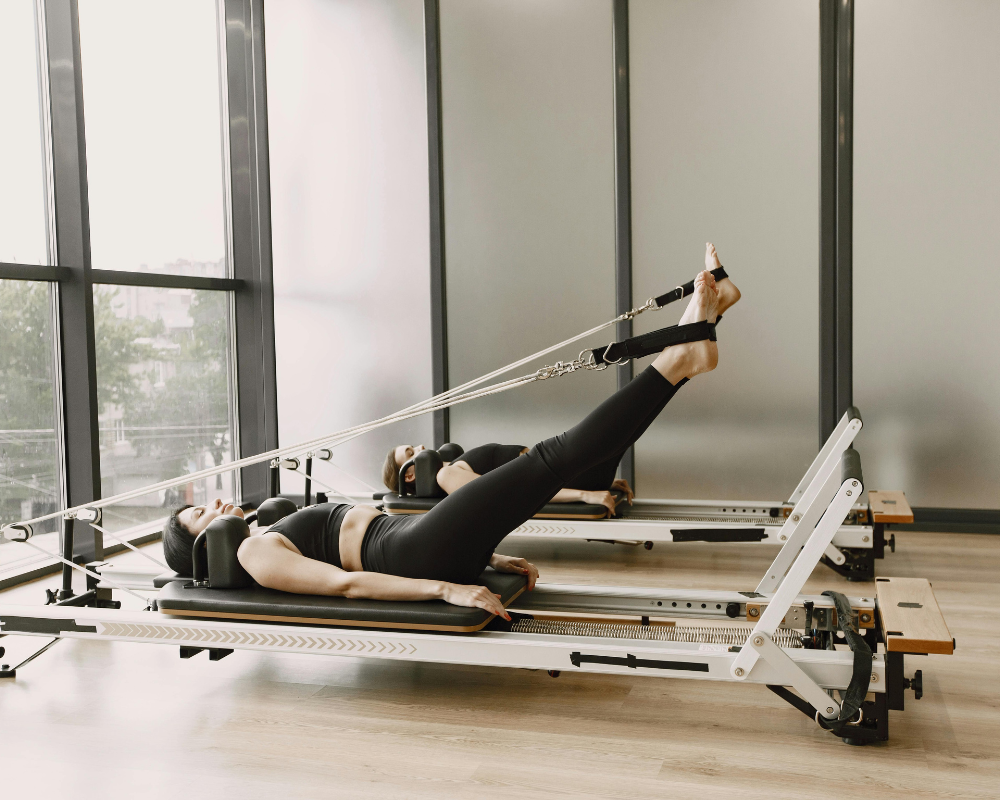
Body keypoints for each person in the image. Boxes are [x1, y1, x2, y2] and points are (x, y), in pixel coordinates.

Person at [162, 263, 739, 620]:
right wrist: (446, 589)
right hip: (413, 553)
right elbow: (346, 584)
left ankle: (687, 358)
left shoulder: (263, 525)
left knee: (565, 459)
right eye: (197, 516)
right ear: (199, 546)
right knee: (551, 459)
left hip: (421, 540)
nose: (212, 506)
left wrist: (485, 558)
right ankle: (680, 357)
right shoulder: (250, 551)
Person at [382, 242, 740, 516]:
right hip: (554, 467)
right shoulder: (447, 476)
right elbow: (513, 495)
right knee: (633, 402)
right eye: (411, 454)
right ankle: (701, 323)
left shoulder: (451, 466)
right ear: (410, 475)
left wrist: (594, 482)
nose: (422, 449)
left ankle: (711, 314)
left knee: (640, 407)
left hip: (565, 470)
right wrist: (583, 494)